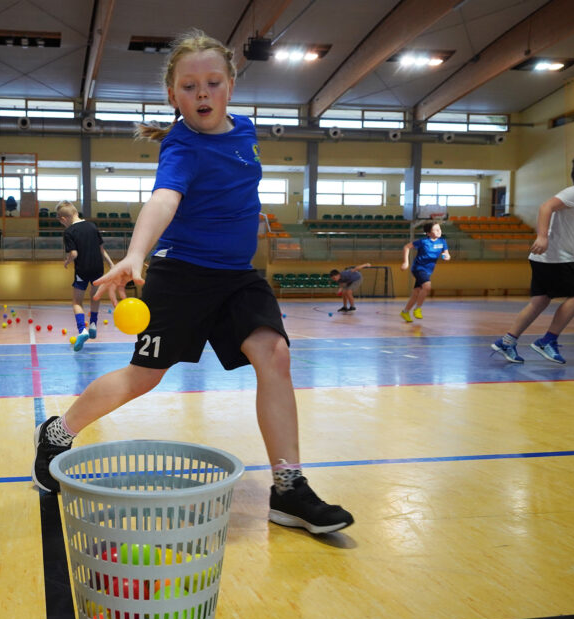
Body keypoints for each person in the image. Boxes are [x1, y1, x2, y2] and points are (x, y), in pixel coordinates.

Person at [31, 29, 353, 534]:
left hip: (239, 277)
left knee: (275, 354)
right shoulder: (181, 147)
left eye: (212, 82)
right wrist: (136, 255)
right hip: (182, 276)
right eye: (188, 86)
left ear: (230, 86)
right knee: (145, 375)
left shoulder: (245, 130)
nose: (201, 94)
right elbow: (163, 200)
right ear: (172, 95)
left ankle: (288, 488)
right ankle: (58, 430)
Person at [492, 154, 574, 364]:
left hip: (549, 257)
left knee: (540, 301)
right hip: (556, 256)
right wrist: (542, 236)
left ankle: (507, 341)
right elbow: (546, 207)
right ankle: (547, 341)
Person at [56, 200, 115, 351]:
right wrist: (111, 264)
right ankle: (94, 324)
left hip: (82, 269)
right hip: (97, 268)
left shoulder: (69, 232)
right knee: (95, 296)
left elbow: (74, 254)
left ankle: (83, 330)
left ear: (63, 219)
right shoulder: (92, 226)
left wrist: (67, 261)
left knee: (77, 302)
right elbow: (102, 249)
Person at [400, 221, 450, 322]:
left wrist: (446, 257)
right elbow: (407, 247)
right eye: (435, 230)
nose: (438, 231)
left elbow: (447, 254)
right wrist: (406, 262)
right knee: (427, 286)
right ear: (428, 233)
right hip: (418, 268)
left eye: (439, 229)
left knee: (416, 292)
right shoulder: (423, 242)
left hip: (428, 271)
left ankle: (405, 312)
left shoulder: (442, 242)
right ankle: (418, 309)